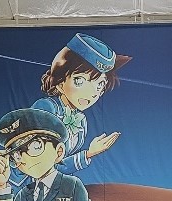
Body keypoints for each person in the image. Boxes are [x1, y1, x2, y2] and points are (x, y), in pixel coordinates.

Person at [0, 108, 98, 201]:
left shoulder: (71, 185)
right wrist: (1, 185)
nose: (24, 158)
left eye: (35, 146)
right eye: (16, 154)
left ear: (59, 151)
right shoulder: (24, 193)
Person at [32, 33, 131, 175]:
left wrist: (90, 153)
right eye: (80, 81)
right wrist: (88, 154)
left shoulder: (81, 121)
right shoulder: (47, 108)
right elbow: (38, 165)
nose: (92, 93)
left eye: (100, 85)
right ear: (60, 83)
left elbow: (60, 167)